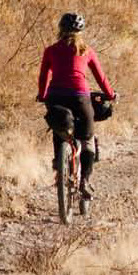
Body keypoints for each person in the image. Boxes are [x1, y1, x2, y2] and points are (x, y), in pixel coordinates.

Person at [37, 12, 115, 199]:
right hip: (80, 97)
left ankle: (59, 162)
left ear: (60, 30)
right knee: (87, 139)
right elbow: (100, 77)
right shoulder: (86, 51)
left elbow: (43, 77)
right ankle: (85, 182)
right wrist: (111, 95)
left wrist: (42, 95)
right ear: (81, 32)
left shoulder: (50, 50)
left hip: (56, 96)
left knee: (59, 128)